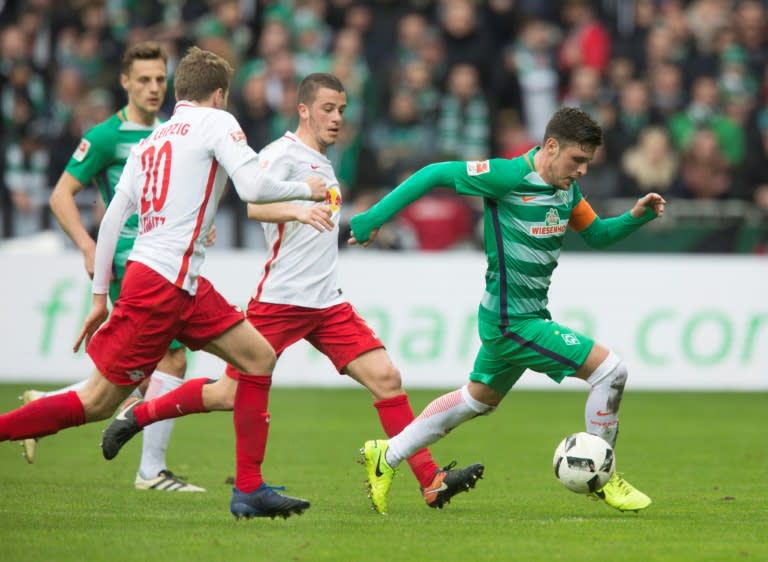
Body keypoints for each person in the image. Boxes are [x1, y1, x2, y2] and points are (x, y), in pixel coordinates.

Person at [100, 72, 485, 515]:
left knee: (386, 379)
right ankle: (140, 414)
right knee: (228, 394)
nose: (337, 117)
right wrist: (302, 210)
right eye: (327, 109)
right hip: (280, 299)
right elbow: (254, 205)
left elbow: (319, 220)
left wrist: (358, 226)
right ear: (303, 110)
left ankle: (430, 481)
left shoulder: (324, 163)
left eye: (341, 110)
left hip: (327, 302)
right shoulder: (280, 154)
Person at [0, 46, 328, 519]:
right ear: (220, 94)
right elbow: (253, 188)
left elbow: (112, 218)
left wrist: (98, 297)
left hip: (177, 281)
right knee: (95, 401)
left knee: (258, 357)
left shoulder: (151, 141)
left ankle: (249, 490)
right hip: (160, 287)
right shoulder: (218, 122)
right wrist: (305, 189)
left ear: (177, 91)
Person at [349, 107, 665, 514]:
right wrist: (375, 217)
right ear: (551, 146)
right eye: (576, 160)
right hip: (511, 321)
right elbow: (433, 174)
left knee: (476, 399)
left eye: (587, 162)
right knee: (611, 371)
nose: (582, 170)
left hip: (523, 316)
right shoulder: (507, 177)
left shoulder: (567, 190)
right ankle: (603, 477)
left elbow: (598, 235)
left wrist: (634, 218)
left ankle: (387, 455)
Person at [17, 41, 206, 493]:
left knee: (130, 378)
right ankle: (151, 471)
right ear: (125, 83)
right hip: (131, 265)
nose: (154, 87)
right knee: (171, 360)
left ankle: (41, 407)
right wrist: (86, 246)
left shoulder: (172, 132)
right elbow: (61, 195)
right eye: (144, 79)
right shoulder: (104, 137)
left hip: (166, 261)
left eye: (160, 79)